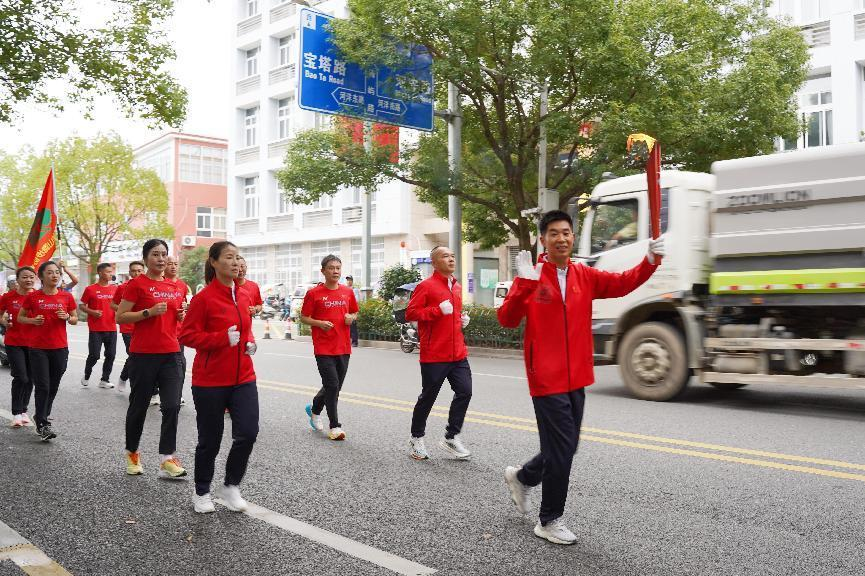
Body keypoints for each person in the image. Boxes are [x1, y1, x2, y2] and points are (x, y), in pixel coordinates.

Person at [497, 210, 665, 545]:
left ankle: (524, 476)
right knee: (561, 450)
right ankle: (549, 520)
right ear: (543, 239)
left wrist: (650, 260)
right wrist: (524, 284)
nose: (561, 238)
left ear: (572, 237)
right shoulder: (531, 277)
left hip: (576, 376)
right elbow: (506, 319)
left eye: (566, 232)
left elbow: (622, 283)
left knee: (566, 447)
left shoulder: (583, 275)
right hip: (545, 376)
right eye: (554, 233)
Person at [179, 241, 259, 514]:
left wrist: (249, 342)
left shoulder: (245, 295)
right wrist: (219, 339)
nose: (236, 262)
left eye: (238, 257)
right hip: (210, 380)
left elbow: (245, 329)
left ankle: (231, 485)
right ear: (214, 262)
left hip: (244, 376)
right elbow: (186, 335)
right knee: (210, 441)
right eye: (229, 257)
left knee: (248, 433)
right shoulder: (204, 298)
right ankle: (202, 490)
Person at [116, 240, 187, 479]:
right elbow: (121, 316)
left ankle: (167, 457)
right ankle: (132, 452)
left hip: (171, 352)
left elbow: (176, 317)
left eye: (164, 254)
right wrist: (148, 312)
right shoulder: (137, 284)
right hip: (143, 354)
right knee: (139, 406)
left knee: (172, 405)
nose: (161, 259)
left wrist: (180, 315)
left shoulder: (176, 287)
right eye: (155, 254)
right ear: (146, 258)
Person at [405, 246, 473, 461]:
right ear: (434, 262)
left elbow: (453, 314)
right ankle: (416, 439)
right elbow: (411, 313)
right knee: (428, 397)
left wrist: (461, 319)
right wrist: (436, 311)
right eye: (445, 256)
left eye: (452, 255)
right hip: (434, 353)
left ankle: (451, 437)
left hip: (458, 353)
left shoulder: (456, 286)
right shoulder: (426, 286)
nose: (451, 259)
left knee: (465, 391)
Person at [17, 261, 78, 441]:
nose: (55, 275)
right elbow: (20, 318)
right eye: (50, 272)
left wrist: (67, 317)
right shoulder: (33, 297)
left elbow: (75, 319)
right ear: (41, 276)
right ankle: (43, 423)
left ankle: (41, 414)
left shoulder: (66, 296)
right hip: (38, 348)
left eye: (57, 272)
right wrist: (32, 320)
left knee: (53, 385)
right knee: (43, 385)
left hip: (60, 348)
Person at [300, 255, 358, 441]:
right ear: (323, 271)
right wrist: (319, 323)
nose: (335, 271)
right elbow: (304, 317)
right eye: (331, 268)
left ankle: (315, 409)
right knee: (332, 385)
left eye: (338, 268)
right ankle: (335, 426)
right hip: (324, 347)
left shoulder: (347, 292)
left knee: (334, 386)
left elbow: (354, 312)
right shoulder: (314, 293)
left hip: (343, 346)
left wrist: (352, 317)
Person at [0, 267, 37, 428]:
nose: (28, 280)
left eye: (31, 277)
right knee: (21, 377)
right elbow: (0, 314)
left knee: (30, 378)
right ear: (18, 279)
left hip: (35, 342)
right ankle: (16, 412)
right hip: (14, 341)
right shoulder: (8, 297)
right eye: (24, 277)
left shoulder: (38, 296)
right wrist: (4, 322)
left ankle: (23, 410)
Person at [79, 263, 118, 389]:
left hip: (111, 327)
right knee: (95, 355)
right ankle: (86, 375)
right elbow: (81, 306)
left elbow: (120, 304)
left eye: (111, 272)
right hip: (96, 328)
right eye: (107, 272)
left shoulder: (115, 289)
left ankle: (104, 380)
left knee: (111, 355)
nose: (110, 274)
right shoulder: (90, 289)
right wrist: (92, 312)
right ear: (100, 273)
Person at [111, 261, 145, 392]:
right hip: (128, 328)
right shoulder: (122, 287)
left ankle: (125, 377)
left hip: (144, 327)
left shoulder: (149, 286)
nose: (136, 273)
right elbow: (112, 305)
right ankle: (128, 380)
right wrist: (126, 309)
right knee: (133, 355)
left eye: (139, 271)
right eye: (134, 271)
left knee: (141, 357)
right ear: (129, 272)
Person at [164, 255, 190, 406]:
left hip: (178, 331)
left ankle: (177, 394)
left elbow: (183, 305)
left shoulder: (182, 285)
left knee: (180, 363)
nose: (173, 266)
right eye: (170, 264)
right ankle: (155, 392)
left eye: (175, 264)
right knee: (162, 365)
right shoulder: (160, 283)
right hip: (162, 332)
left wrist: (185, 310)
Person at [345, 275, 361, 347]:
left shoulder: (355, 290)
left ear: (352, 281)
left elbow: (356, 302)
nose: (348, 281)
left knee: (353, 326)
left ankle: (354, 342)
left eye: (350, 280)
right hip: (345, 310)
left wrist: (356, 313)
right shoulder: (344, 289)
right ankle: (346, 341)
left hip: (352, 310)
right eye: (347, 280)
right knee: (345, 326)